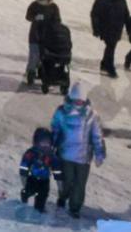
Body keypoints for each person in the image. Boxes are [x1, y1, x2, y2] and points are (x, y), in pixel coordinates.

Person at [50, 81, 105, 219]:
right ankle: (63, 197)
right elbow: (55, 129)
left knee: (80, 184)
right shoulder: (61, 112)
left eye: (81, 101)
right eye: (76, 101)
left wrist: (99, 153)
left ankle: (75, 207)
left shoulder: (91, 115)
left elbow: (97, 135)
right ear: (71, 98)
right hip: (65, 155)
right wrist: (52, 145)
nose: (78, 104)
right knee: (66, 181)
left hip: (83, 158)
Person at [90, 0, 130, 78]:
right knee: (111, 47)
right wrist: (96, 29)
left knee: (111, 47)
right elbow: (95, 15)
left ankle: (104, 64)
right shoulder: (102, 0)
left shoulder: (122, 1)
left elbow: (126, 15)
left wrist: (129, 28)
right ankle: (110, 68)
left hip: (117, 29)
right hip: (106, 28)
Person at [19, 127, 62, 214]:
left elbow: (57, 170)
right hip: (32, 178)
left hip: (44, 180)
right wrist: (24, 179)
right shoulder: (31, 153)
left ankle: (39, 207)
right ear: (37, 142)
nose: (45, 145)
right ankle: (25, 195)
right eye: (43, 143)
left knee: (43, 195)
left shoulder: (51, 156)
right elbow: (24, 166)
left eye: (47, 143)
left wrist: (60, 184)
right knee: (29, 190)